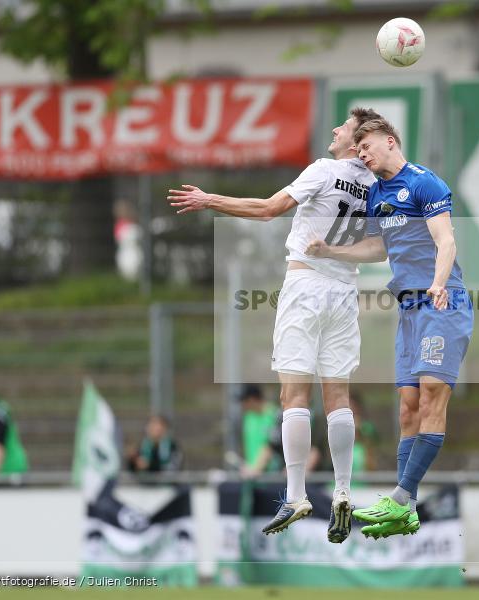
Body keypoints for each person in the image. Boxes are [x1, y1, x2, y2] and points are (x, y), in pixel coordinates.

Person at [167, 107, 383, 543]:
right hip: (345, 293)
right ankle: (342, 490)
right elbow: (379, 249)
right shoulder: (378, 184)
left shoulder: (324, 170)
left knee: (293, 394)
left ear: (354, 142)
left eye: (341, 125)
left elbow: (268, 209)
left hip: (306, 285)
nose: (335, 127)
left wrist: (210, 200)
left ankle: (297, 493)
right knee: (338, 394)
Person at [307, 117, 473, 539]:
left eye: (367, 145)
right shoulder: (379, 194)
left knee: (433, 397)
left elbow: (446, 241)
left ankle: (400, 498)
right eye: (357, 147)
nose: (362, 153)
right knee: (407, 405)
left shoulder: (424, 183)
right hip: (409, 310)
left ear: (391, 141)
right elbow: (379, 247)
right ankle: (408, 506)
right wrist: (332, 250)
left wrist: (437, 283)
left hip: (441, 301)